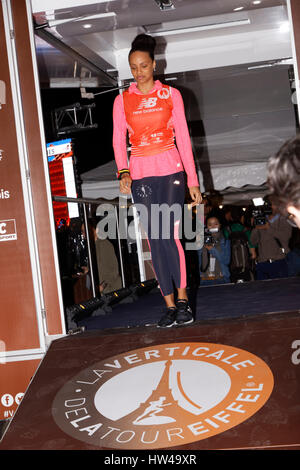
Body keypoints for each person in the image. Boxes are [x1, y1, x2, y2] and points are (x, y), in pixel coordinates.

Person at [112, 34, 202, 327]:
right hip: (141, 175)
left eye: (143, 66)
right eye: (133, 67)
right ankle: (169, 305)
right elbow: (118, 140)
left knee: (171, 236)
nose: (138, 73)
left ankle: (184, 299)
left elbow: (185, 140)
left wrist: (193, 180)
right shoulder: (122, 100)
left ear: (154, 65)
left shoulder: (170, 95)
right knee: (155, 239)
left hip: (172, 171)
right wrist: (123, 171)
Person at [250, 199, 292, 280]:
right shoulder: (261, 219)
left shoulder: (283, 220)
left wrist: (268, 228)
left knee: (281, 290)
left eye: (272, 204)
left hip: (278, 262)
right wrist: (255, 227)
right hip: (262, 263)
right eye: (268, 204)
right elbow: (253, 241)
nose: (270, 207)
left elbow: (286, 236)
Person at [267, 135, 300, 229]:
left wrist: (267, 227)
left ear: (293, 210)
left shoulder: (282, 218)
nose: (273, 206)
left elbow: (285, 237)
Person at [198, 214, 231, 285]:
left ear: (220, 225)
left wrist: (212, 249)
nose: (213, 226)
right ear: (206, 227)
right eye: (210, 224)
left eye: (216, 224)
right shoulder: (201, 240)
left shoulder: (224, 241)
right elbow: (199, 261)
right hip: (205, 279)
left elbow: (226, 260)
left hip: (221, 278)